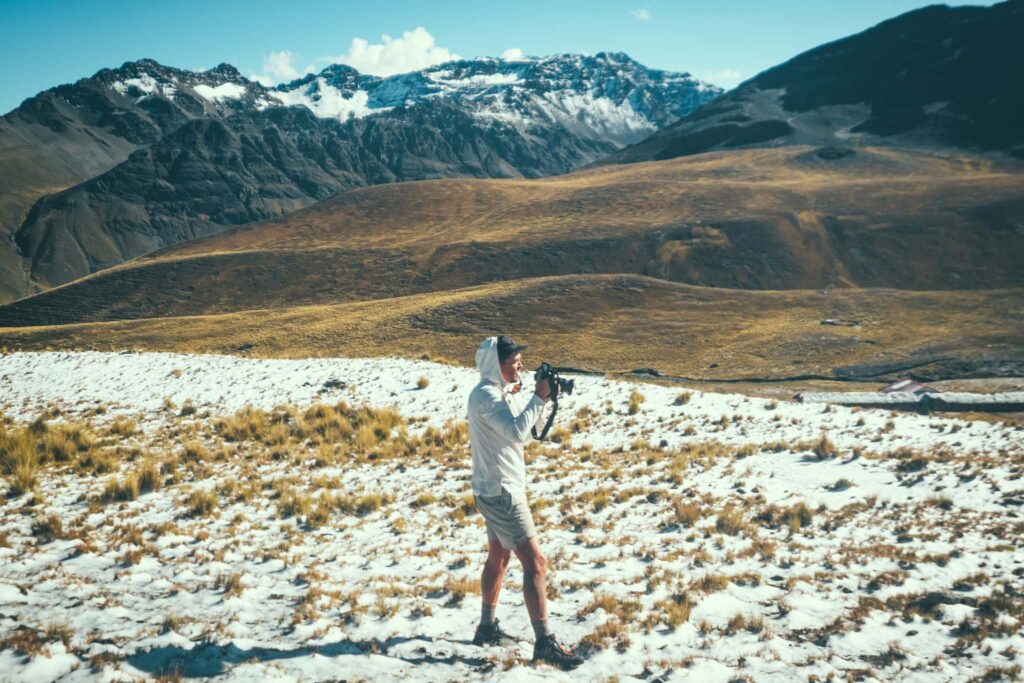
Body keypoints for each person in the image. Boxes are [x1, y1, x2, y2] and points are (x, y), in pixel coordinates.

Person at [466, 335, 583, 670]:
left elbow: (519, 423)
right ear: (496, 364)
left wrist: (540, 398)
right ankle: (544, 643)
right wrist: (538, 396)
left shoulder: (493, 393)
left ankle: (487, 628)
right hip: (503, 494)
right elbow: (518, 432)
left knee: (498, 558)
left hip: (491, 490)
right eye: (514, 361)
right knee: (536, 564)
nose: (520, 365)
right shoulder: (488, 396)